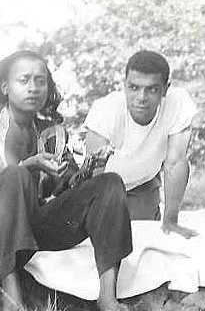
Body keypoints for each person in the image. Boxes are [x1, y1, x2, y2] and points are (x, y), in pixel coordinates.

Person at [0, 50, 135, 311]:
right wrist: (27, 166)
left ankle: (107, 300)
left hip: (26, 228)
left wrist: (88, 169)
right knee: (15, 175)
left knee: (109, 183)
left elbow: (65, 188)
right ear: (5, 87)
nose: (33, 87)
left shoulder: (52, 132)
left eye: (40, 81)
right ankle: (11, 302)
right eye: (24, 80)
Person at [82, 50, 198, 238]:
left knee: (144, 235)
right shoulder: (106, 110)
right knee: (107, 236)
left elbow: (175, 162)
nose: (141, 97)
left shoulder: (178, 103)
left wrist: (171, 220)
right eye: (134, 88)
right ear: (124, 85)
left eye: (152, 89)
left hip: (142, 182)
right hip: (100, 185)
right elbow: (92, 176)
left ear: (165, 89)